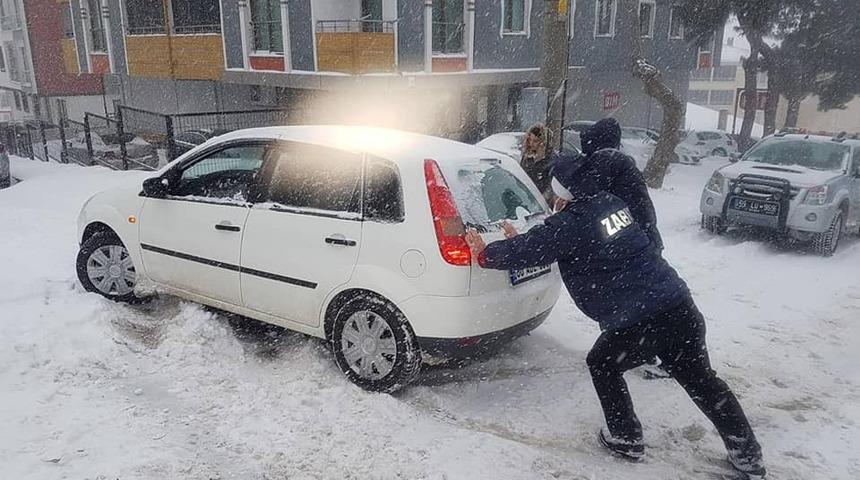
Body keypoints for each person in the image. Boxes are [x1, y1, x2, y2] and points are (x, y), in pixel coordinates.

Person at [463, 156, 766, 479]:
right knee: (704, 383)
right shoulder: (610, 203)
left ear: (564, 194)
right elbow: (565, 242)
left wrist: (485, 252)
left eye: (555, 194)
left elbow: (541, 245)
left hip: (641, 320)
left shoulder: (570, 224)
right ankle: (748, 456)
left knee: (603, 363)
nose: (553, 200)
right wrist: (526, 240)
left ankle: (625, 437)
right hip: (677, 307)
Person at [580, 118, 669, 379]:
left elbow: (597, 201)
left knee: (646, 304)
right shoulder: (619, 162)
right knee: (639, 303)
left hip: (634, 245)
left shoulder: (609, 164)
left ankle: (666, 355)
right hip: (639, 241)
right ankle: (647, 350)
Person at [520, 123, 557, 201]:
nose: (531, 143)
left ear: (543, 142)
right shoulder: (527, 157)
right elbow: (521, 177)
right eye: (530, 140)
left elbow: (552, 187)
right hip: (527, 198)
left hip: (543, 203)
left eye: (535, 141)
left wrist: (541, 200)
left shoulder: (552, 159)